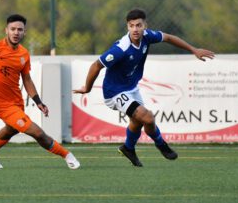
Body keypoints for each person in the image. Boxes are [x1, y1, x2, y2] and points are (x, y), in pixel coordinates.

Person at [73, 9, 214, 167]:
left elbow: (168, 37)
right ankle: (161, 144)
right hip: (114, 93)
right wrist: (87, 88)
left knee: (137, 121)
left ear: (144, 26)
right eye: (131, 26)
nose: (135, 29)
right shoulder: (121, 48)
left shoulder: (147, 36)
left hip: (131, 88)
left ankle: (128, 148)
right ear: (127, 27)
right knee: (147, 117)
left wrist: (193, 50)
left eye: (138, 25)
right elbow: (96, 65)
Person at [0, 14, 80, 169]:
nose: (16, 32)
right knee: (37, 133)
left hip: (17, 103)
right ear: (6, 30)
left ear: (24, 32)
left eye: (20, 29)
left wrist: (38, 102)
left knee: (11, 129)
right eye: (12, 29)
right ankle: (67, 155)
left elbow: (27, 79)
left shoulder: (23, 54)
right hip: (2, 105)